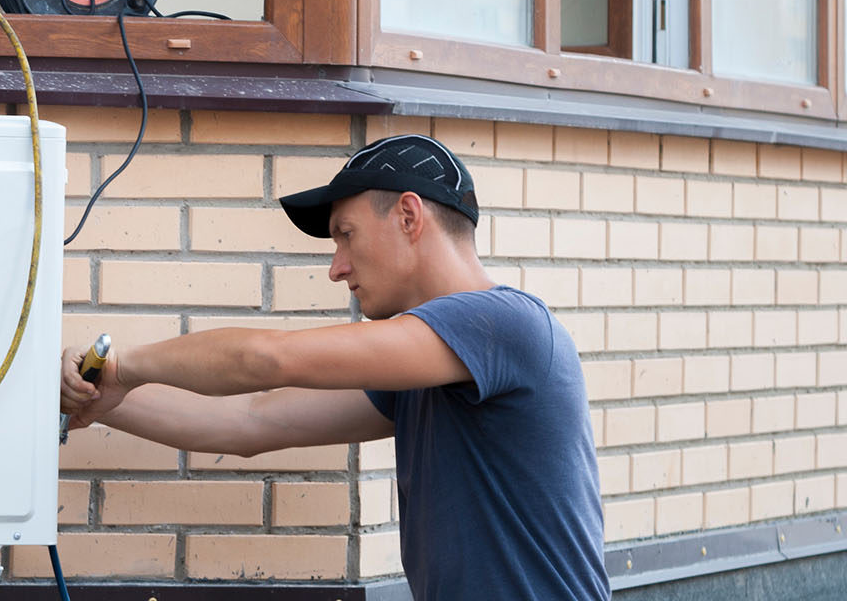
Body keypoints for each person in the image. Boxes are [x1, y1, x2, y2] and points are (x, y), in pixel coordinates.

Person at [59, 134, 608, 600]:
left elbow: (264, 361)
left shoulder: (501, 324)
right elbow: (250, 421)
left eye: (346, 235)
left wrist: (125, 364)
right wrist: (109, 398)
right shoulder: (426, 372)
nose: (336, 267)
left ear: (409, 216)